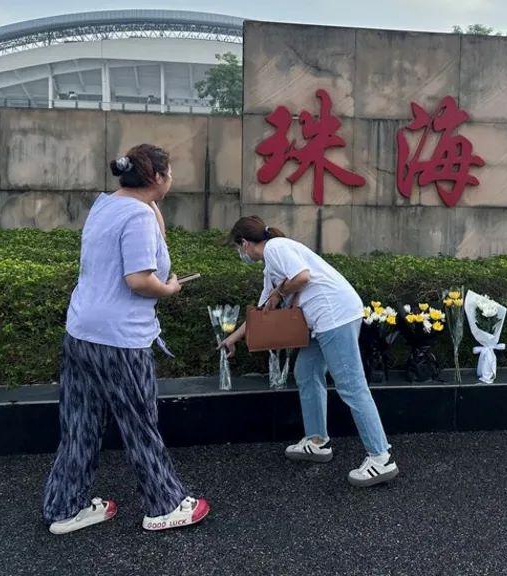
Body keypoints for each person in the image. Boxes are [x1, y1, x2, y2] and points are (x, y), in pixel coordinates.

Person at [42, 144, 210, 534]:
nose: (173, 179)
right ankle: (164, 505)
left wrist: (153, 201)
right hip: (120, 339)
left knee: (79, 423)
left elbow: (155, 239)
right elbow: (138, 280)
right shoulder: (137, 215)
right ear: (158, 177)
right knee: (139, 422)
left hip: (82, 330)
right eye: (169, 173)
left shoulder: (108, 205)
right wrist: (168, 290)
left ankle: (65, 507)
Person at [220, 216, 399, 487]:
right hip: (322, 321)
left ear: (244, 243)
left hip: (334, 316)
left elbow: (302, 277)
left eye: (238, 248)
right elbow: (261, 312)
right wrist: (231, 339)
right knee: (306, 371)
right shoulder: (271, 264)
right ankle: (317, 442)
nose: (240, 254)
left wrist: (280, 293)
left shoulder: (276, 248)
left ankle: (380, 457)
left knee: (351, 386)